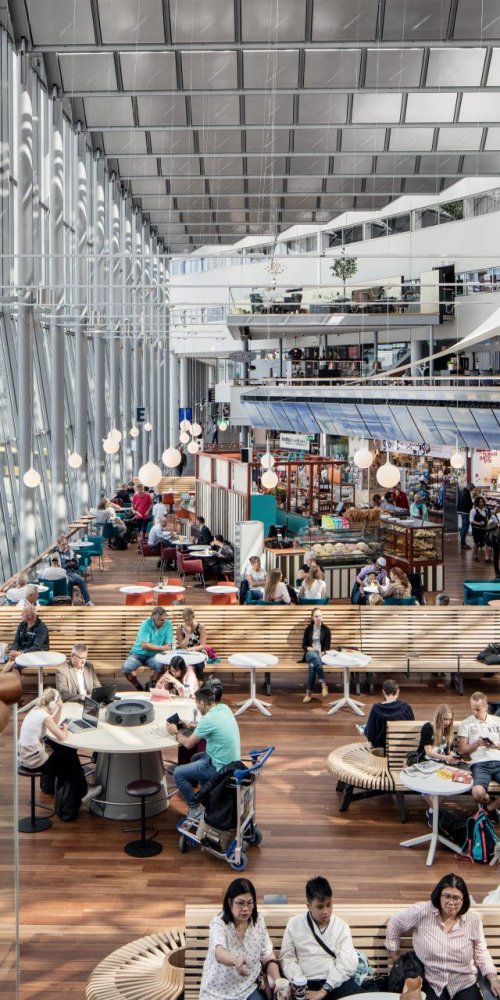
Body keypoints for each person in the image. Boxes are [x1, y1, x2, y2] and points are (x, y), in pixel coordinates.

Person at [385, 873, 500, 1000]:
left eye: (456, 898)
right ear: (439, 895)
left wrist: (493, 979)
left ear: (464, 900)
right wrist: (395, 956)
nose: (451, 902)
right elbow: (395, 923)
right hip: (432, 981)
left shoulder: (473, 921)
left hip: (464, 982)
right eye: (447, 896)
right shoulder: (423, 911)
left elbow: (481, 952)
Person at [17, 687, 100, 812]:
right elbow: (62, 736)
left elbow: (52, 725)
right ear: (52, 704)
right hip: (33, 762)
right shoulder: (44, 716)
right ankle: (84, 791)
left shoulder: (36, 710)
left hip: (25, 757)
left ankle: (68, 788)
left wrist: (60, 708)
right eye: (57, 704)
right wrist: (66, 728)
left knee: (66, 755)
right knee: (69, 756)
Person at [168, 684, 241, 821]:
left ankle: (195, 808)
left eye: (197, 704)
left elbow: (189, 744)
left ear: (202, 703)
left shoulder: (207, 719)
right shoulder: (224, 708)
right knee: (196, 757)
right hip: (232, 762)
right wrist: (190, 724)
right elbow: (210, 726)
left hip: (220, 768)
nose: (197, 707)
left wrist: (175, 732)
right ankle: (206, 796)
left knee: (179, 773)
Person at [280, 875, 361, 999]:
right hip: (305, 982)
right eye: (320, 907)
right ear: (309, 906)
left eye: (329, 905)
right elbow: (287, 958)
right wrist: (298, 981)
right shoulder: (294, 924)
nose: (325, 911)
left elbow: (347, 962)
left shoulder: (341, 926)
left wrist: (325, 989)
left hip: (335, 982)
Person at [200, 878, 280, 1000]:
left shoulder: (258, 921)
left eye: (250, 902)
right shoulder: (218, 923)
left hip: (248, 988)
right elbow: (219, 953)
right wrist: (236, 960)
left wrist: (278, 982)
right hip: (217, 992)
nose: (246, 908)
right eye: (240, 903)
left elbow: (268, 955)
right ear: (229, 902)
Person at [457, 691, 500, 819]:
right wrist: (476, 743)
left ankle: (489, 808)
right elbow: (462, 750)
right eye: (473, 709)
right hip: (480, 764)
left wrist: (495, 745)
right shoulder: (466, 724)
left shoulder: (497, 721)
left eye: (478, 709)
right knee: (477, 793)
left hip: (498, 761)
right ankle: (489, 803)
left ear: (486, 707)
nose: (475, 712)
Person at [122, 607, 173, 690]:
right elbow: (144, 646)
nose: (164, 621)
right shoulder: (146, 624)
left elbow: (168, 645)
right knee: (126, 668)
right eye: (161, 620)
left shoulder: (168, 624)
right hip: (138, 654)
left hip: (155, 655)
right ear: (153, 618)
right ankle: (138, 686)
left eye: (165, 619)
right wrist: (161, 647)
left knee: (162, 667)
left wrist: (160, 647)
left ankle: (150, 684)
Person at [365, 679, 414, 750]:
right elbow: (411, 732)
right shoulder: (406, 708)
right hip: (400, 748)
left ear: (383, 691)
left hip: (381, 750)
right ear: (397, 691)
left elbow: (370, 735)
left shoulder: (376, 708)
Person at [1, 605, 49, 676]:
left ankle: (4, 680)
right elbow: (16, 641)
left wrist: (21, 653)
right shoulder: (22, 625)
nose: (21, 614)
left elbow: (37, 647)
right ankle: (4, 680)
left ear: (29, 616)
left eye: (23, 613)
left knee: (14, 667)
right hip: (22, 654)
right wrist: (14, 651)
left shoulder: (41, 627)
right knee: (12, 663)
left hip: (37, 655)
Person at [301, 607, 331, 703]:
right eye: (316, 616)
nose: (318, 618)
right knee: (313, 656)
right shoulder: (308, 629)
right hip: (310, 654)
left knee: (312, 665)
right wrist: (310, 648)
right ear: (312, 618)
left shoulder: (326, 630)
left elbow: (327, 647)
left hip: (321, 655)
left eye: (320, 616)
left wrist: (322, 653)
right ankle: (323, 684)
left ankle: (308, 694)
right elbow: (304, 645)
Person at [55, 535, 94, 605]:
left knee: (81, 579)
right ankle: (69, 601)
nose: (65, 546)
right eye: (63, 544)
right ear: (58, 545)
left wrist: (73, 563)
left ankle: (87, 601)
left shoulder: (71, 552)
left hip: (71, 572)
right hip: (62, 574)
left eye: (66, 544)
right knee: (70, 581)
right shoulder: (56, 554)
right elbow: (56, 568)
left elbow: (77, 566)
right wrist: (67, 565)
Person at [457, 482, 474, 549]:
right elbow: (467, 503)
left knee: (464, 527)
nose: (471, 490)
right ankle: (463, 543)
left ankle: (463, 542)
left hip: (461, 511)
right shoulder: (466, 493)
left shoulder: (462, 491)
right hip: (465, 512)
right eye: (471, 488)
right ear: (469, 487)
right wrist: (471, 505)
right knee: (465, 527)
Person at [486, 503, 500, 578]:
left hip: (496, 538)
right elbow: (487, 527)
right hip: (496, 538)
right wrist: (496, 525)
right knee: (496, 555)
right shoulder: (495, 517)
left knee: (496, 555)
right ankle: (497, 571)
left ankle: (497, 571)